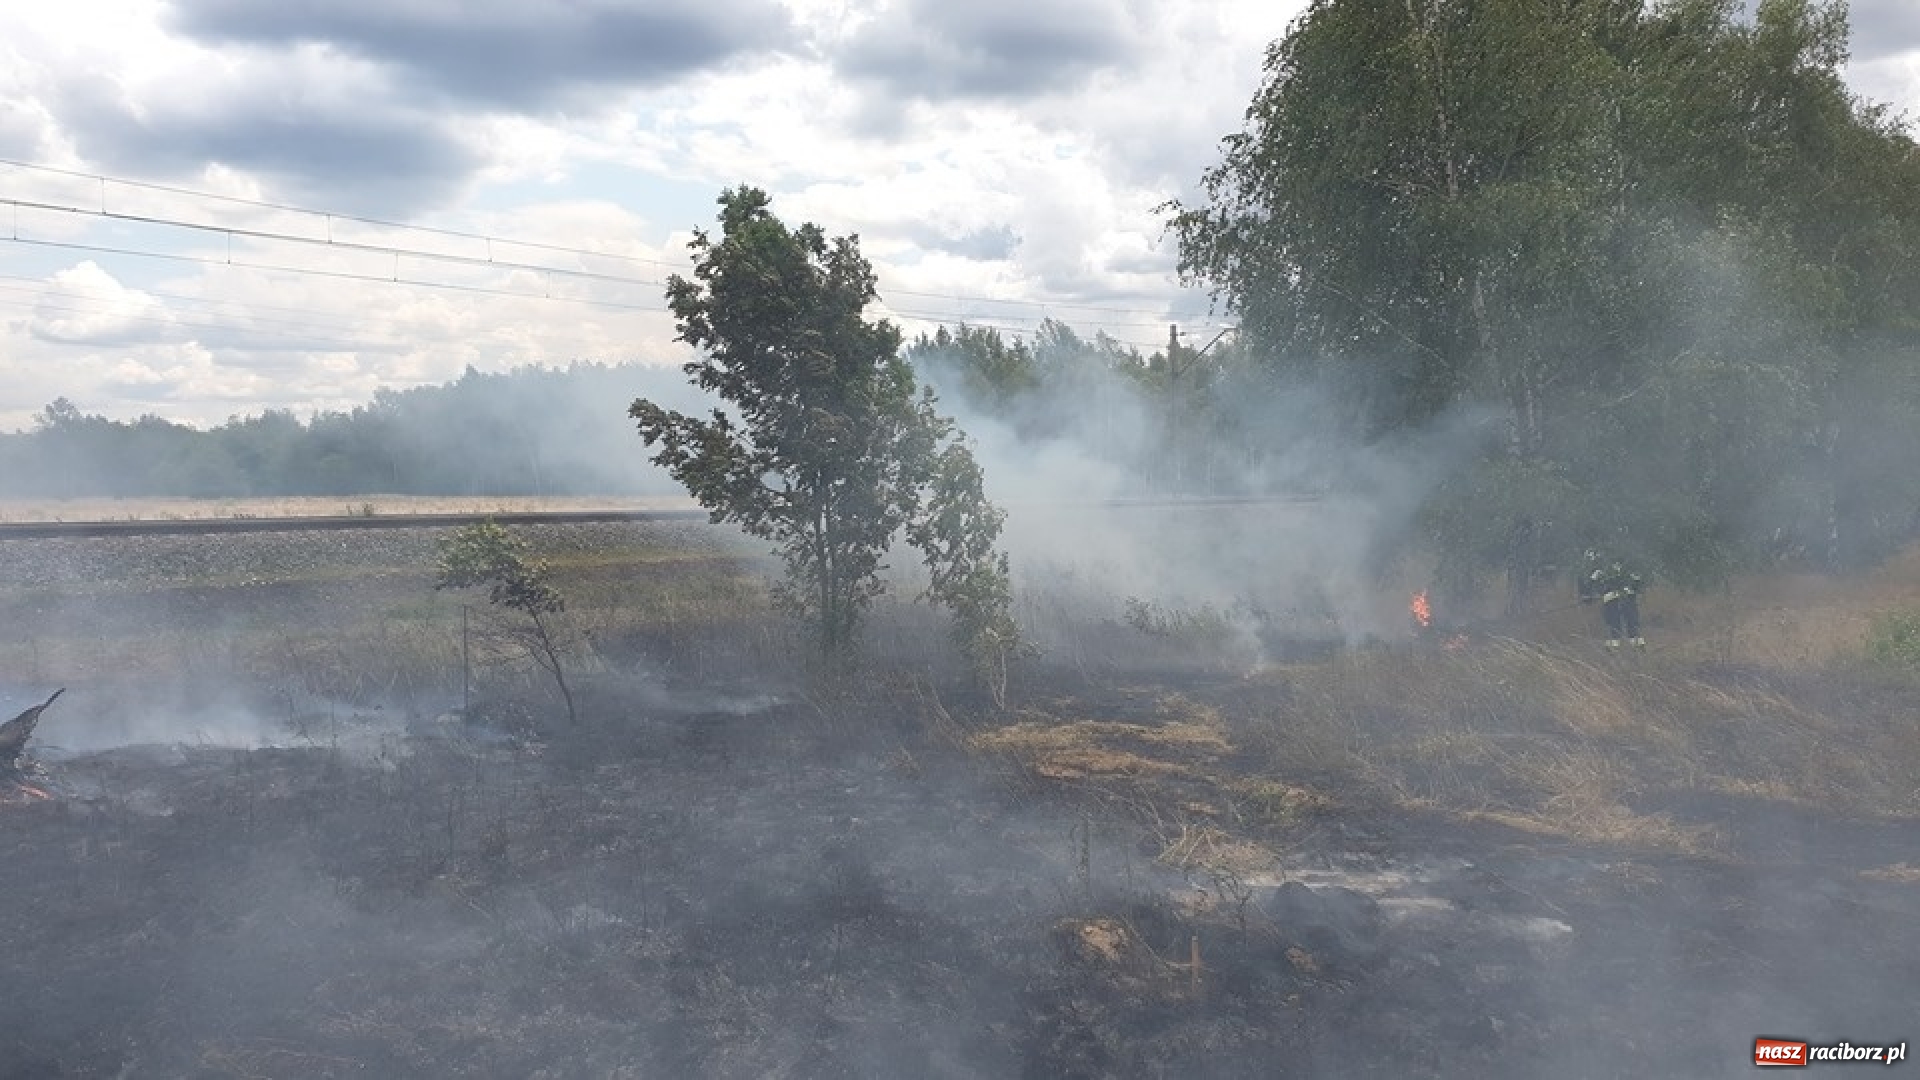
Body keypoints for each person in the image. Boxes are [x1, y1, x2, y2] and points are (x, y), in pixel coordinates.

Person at [1578, 550, 1645, 649]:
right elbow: (1591, 588)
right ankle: (1613, 648)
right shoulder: (1601, 573)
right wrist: (1596, 594)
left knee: (1632, 624)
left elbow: (1638, 587)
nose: (1617, 566)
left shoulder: (1629, 573)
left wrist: (1630, 590)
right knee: (1613, 625)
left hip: (1628, 602)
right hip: (1611, 603)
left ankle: (1638, 647)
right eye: (1615, 564)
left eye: (1619, 564)